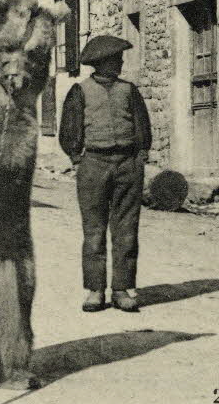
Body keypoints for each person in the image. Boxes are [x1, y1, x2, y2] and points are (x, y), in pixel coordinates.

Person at [58, 35, 151, 313]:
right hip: (93, 164)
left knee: (126, 229)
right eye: (116, 59)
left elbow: (142, 125)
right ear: (101, 63)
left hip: (127, 164)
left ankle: (122, 289)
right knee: (94, 231)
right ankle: (95, 290)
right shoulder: (80, 91)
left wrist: (140, 156)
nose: (121, 63)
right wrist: (77, 158)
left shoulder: (129, 90)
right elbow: (69, 129)